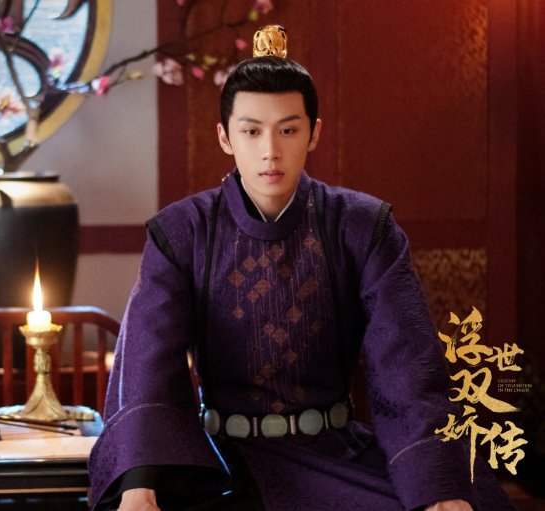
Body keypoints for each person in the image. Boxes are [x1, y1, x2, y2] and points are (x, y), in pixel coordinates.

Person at [87, 25, 515, 511]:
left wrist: (439, 490)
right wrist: (140, 485)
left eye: (288, 130)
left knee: (471, 501)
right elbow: (148, 361)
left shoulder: (362, 226)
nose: (270, 150)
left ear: (314, 133)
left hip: (334, 452)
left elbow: (407, 364)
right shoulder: (182, 231)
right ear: (225, 137)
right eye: (251, 131)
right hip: (219, 460)